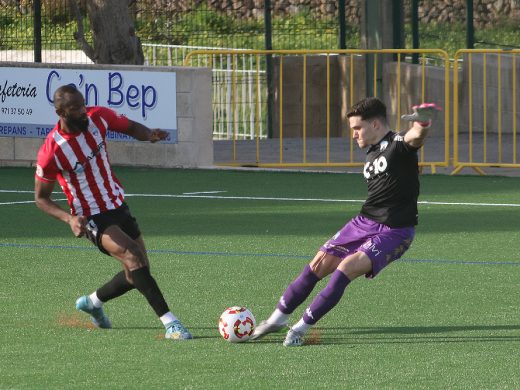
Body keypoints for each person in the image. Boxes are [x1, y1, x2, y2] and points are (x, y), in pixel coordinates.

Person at [251, 97, 441, 346]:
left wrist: (423, 123)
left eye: (357, 128)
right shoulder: (372, 150)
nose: (353, 135)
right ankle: (276, 319)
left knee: (345, 269)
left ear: (375, 124)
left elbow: (414, 137)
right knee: (317, 265)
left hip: (395, 231)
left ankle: (299, 329)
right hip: (363, 222)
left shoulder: (398, 145)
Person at [34, 84, 192, 340]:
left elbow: (130, 127)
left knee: (138, 272)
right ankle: (171, 324)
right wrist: (69, 218)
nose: (83, 112)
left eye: (83, 106)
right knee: (133, 257)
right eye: (75, 109)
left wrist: (149, 134)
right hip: (90, 216)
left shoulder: (98, 117)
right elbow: (41, 199)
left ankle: (92, 302)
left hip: (117, 203)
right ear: (60, 112)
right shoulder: (52, 151)